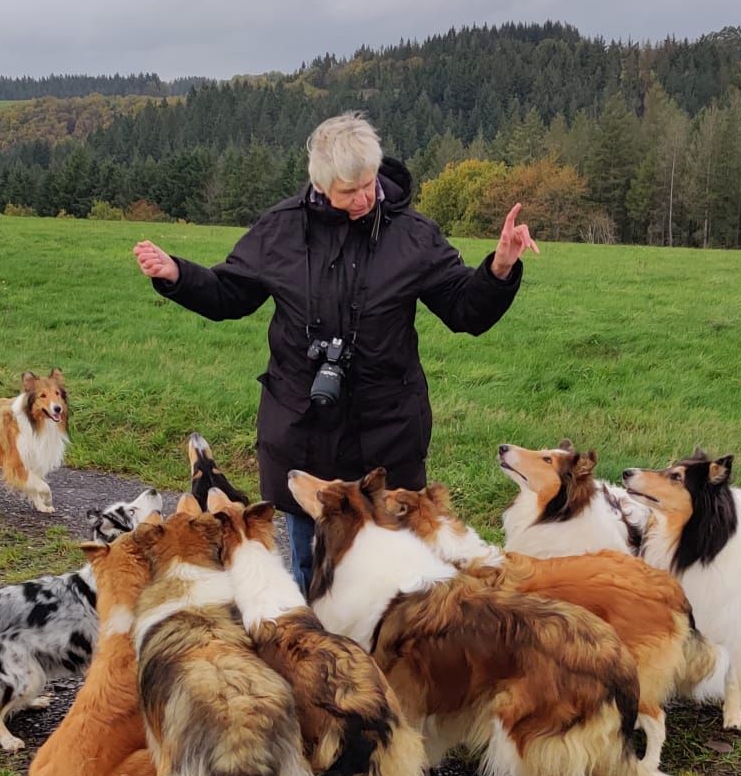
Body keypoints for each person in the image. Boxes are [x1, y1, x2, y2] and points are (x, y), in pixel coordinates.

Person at [134, 111, 538, 590]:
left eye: (369, 184)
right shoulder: (281, 230)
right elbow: (229, 294)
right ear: (321, 185)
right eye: (349, 191)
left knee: (398, 578)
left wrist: (499, 268)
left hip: (388, 434)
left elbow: (464, 310)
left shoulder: (413, 234)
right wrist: (178, 275)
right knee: (314, 571)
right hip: (304, 431)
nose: (364, 198)